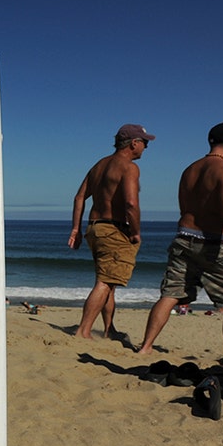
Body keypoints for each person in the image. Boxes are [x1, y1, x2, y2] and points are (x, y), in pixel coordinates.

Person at [137, 121, 223, 368]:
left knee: (170, 294)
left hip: (183, 238)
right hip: (216, 243)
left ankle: (146, 347)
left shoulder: (189, 169)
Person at [68, 123, 153, 339]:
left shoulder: (99, 165)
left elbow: (79, 197)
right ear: (134, 143)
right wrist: (135, 232)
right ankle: (83, 331)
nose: (146, 147)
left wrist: (76, 229)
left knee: (109, 282)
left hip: (94, 228)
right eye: (144, 143)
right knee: (105, 282)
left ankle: (109, 329)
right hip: (113, 228)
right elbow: (131, 203)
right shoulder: (129, 167)